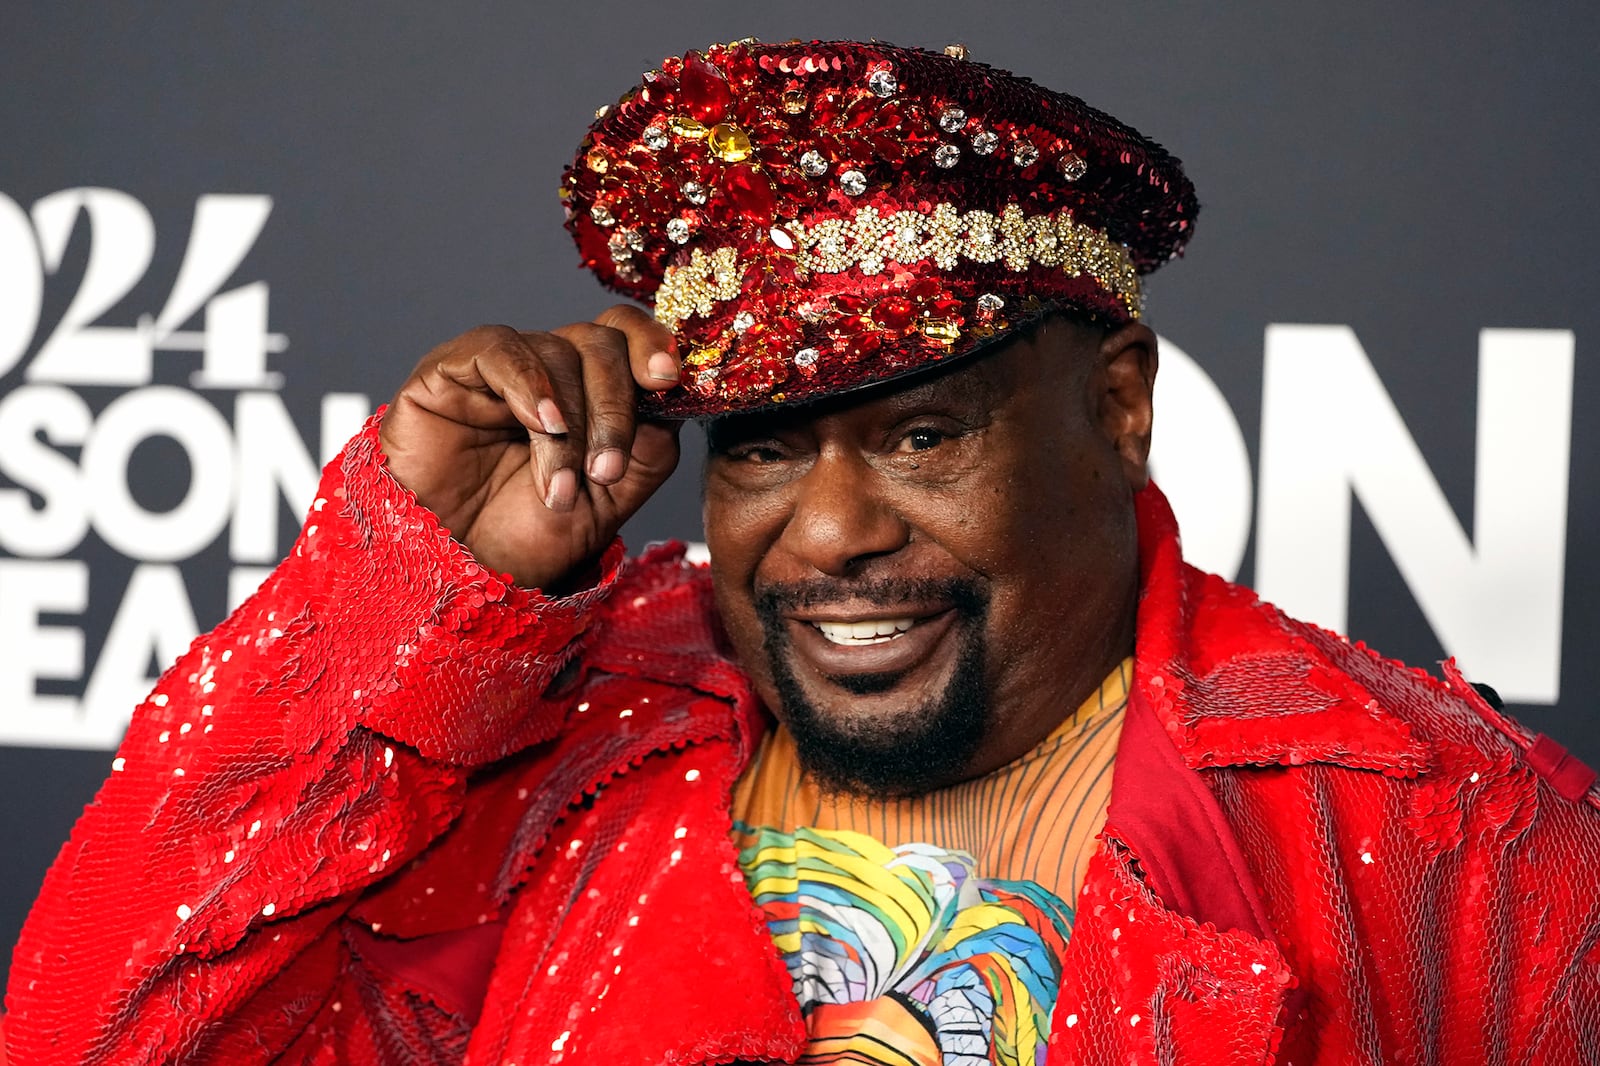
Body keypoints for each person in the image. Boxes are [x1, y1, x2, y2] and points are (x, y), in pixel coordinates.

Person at [6, 37, 1599, 1066]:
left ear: (1119, 410)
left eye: (922, 434)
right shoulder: (554, 732)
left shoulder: (1446, 826)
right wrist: (415, 592)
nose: (825, 533)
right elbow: (96, 1033)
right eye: (763, 444)